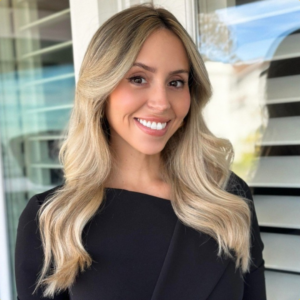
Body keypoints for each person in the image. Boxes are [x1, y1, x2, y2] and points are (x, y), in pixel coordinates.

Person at [15, 3, 266, 300]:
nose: (161, 102)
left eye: (176, 82)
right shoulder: (52, 220)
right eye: (138, 78)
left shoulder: (226, 198)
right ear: (101, 88)